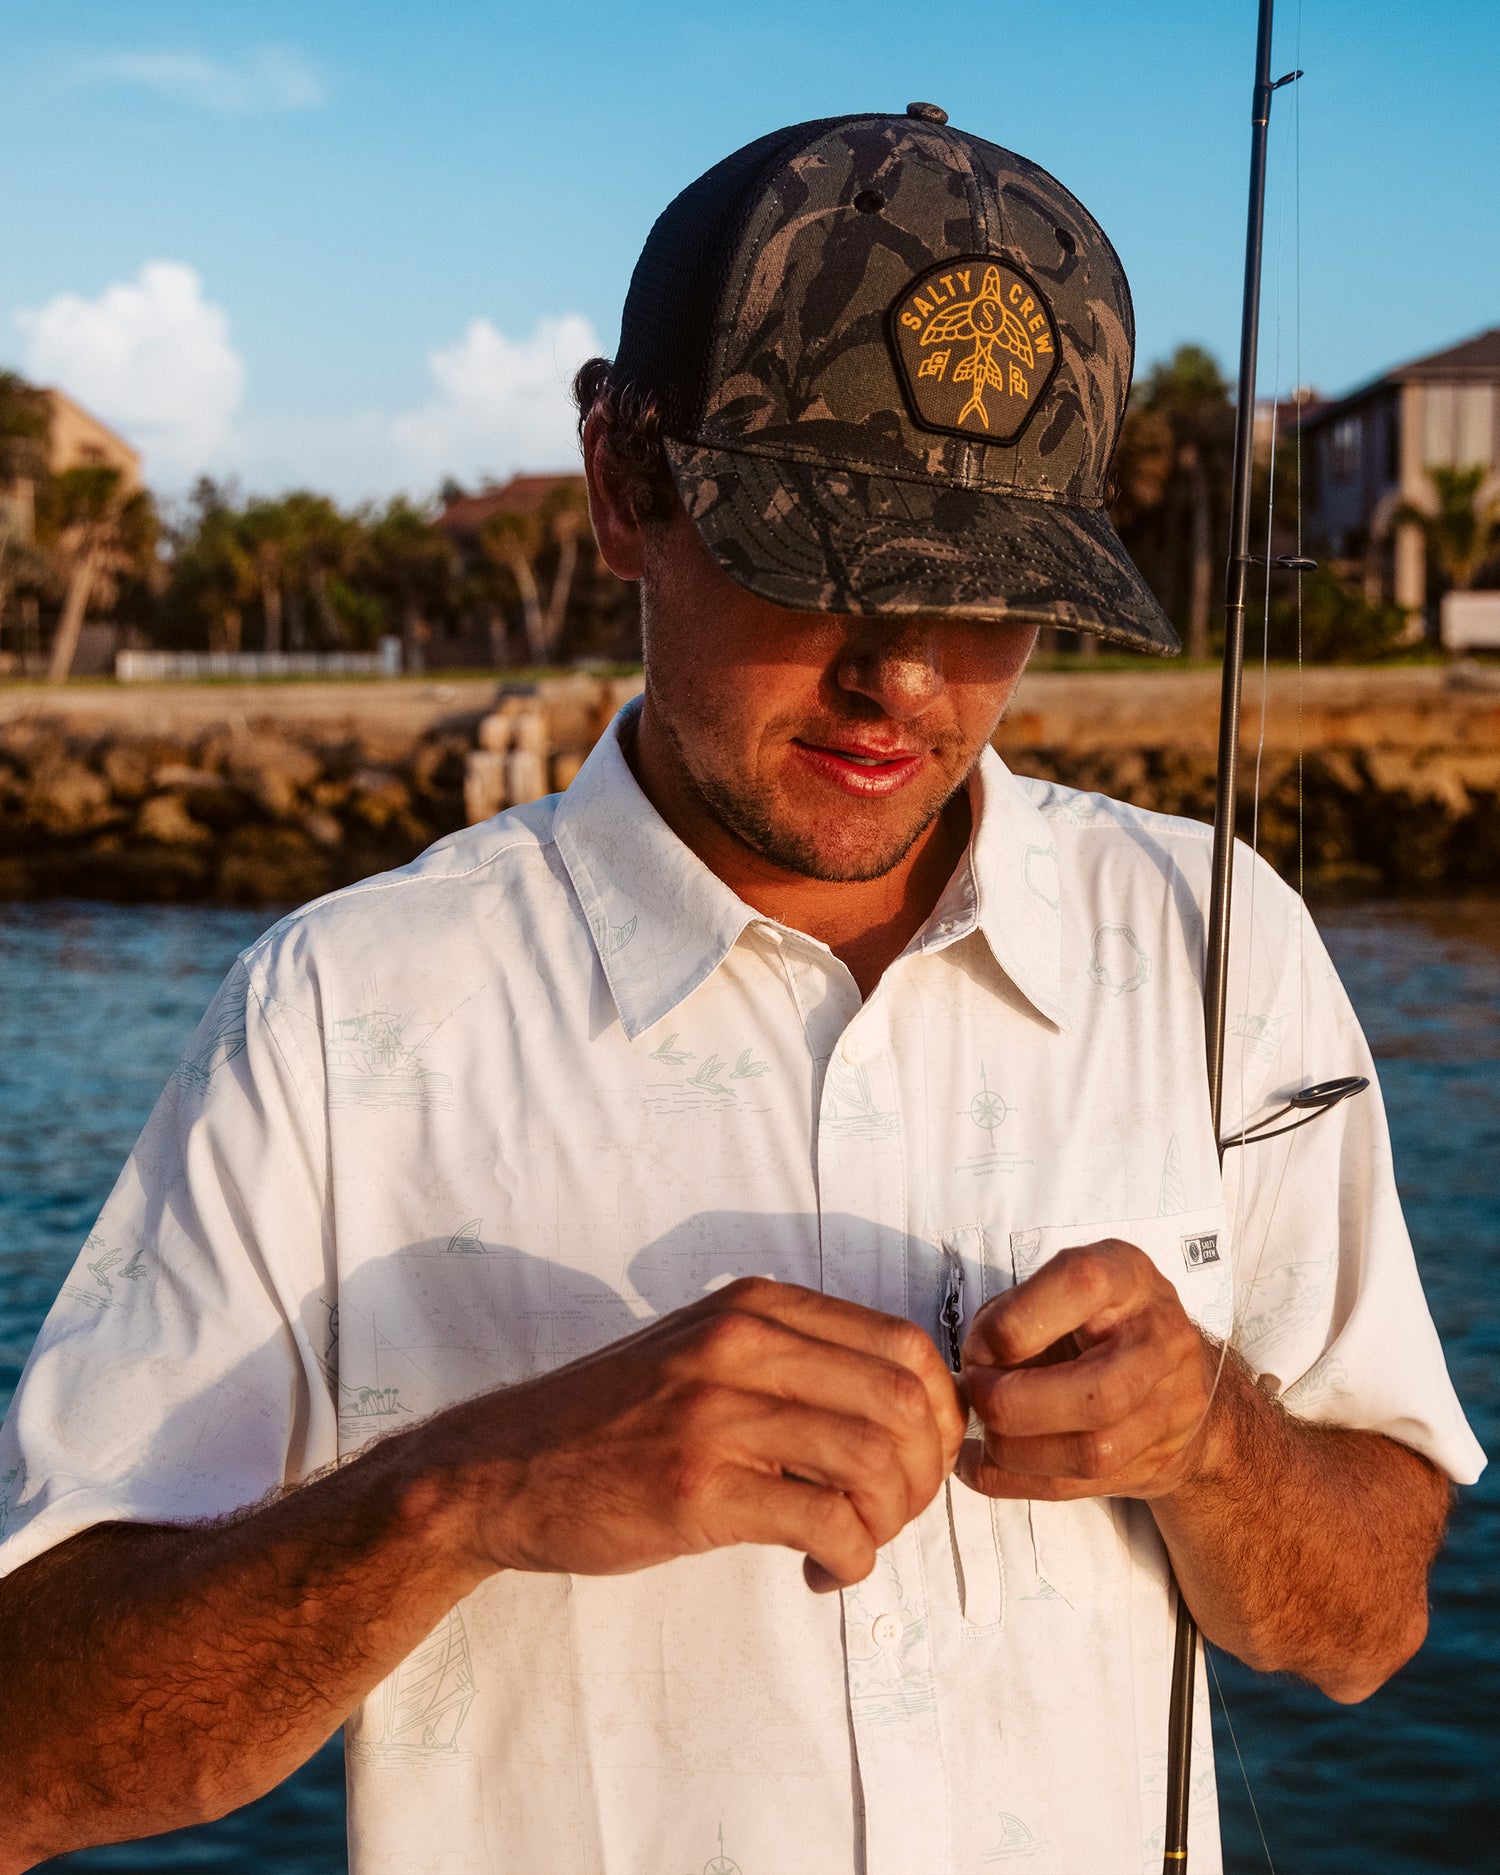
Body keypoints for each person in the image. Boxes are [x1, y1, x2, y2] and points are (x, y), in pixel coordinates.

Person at [0, 106, 1482, 1875]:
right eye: (826, 561)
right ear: (625, 479)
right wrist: (474, 1490)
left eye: (997, 590)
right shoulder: (333, 1016)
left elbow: (1371, 1619)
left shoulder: (1216, 936)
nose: (907, 678)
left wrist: (1211, 1440)